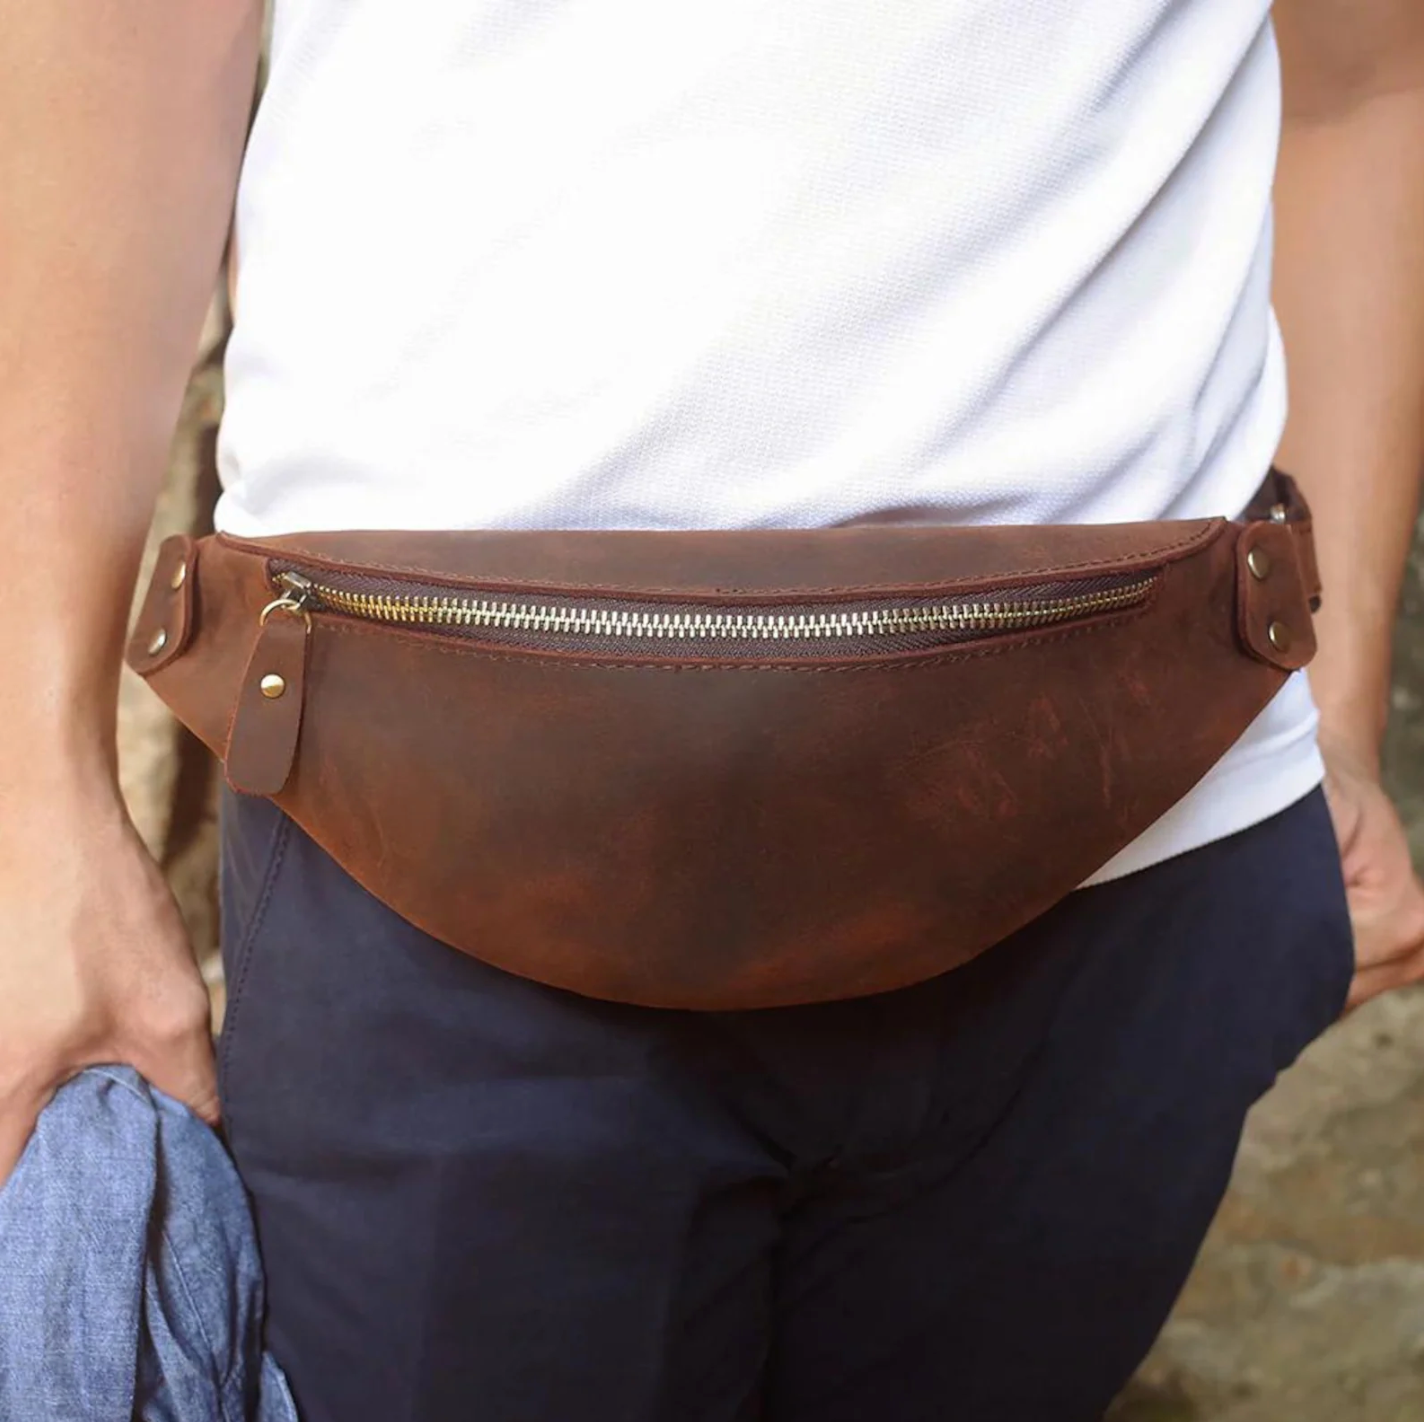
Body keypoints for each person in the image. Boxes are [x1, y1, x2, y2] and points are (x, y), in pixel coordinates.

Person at [2, 2, 1422, 1419]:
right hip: (426, 845)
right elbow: (115, 36)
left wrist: (1334, 710)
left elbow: (1366, 75)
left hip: (1135, 843)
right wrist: (33, 794)